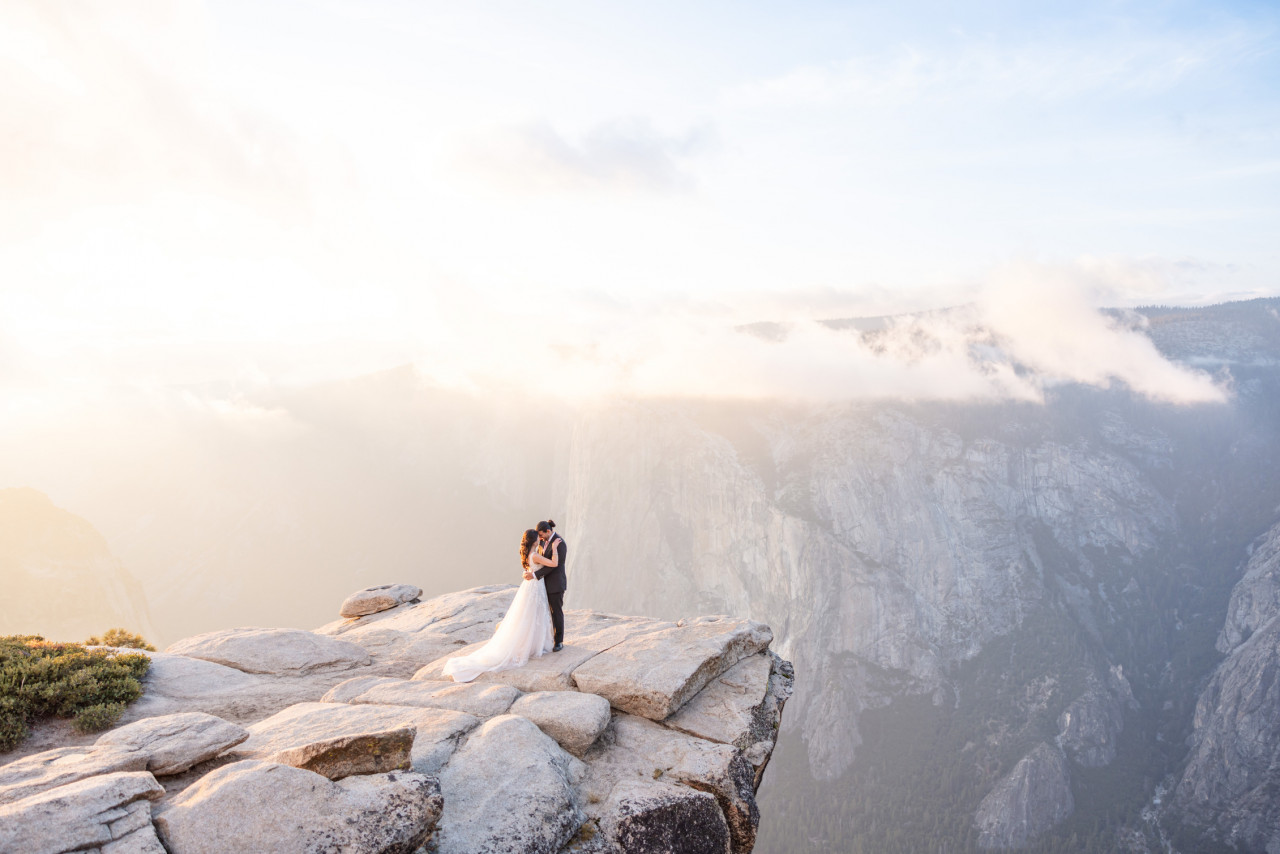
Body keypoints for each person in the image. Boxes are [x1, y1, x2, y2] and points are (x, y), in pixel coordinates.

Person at [442, 529, 556, 683]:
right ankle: (533, 644)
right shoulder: (535, 555)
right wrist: (554, 547)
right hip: (535, 587)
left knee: (529, 615)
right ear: (534, 540)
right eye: (538, 537)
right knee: (533, 615)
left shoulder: (530, 554)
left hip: (531, 586)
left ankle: (531, 643)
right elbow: (553, 563)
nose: (540, 537)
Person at [531, 519, 567, 651]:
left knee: (556, 612)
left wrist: (535, 575)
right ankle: (547, 638)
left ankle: (559, 641)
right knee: (545, 612)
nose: (539, 538)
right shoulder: (542, 541)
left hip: (555, 584)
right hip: (543, 584)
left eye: (541, 535)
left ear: (548, 531)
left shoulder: (560, 544)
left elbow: (553, 566)